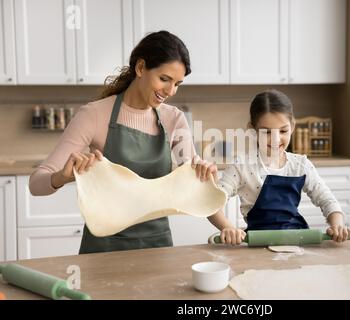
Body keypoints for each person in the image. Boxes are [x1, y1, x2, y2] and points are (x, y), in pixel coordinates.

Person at [29, 31, 217, 254]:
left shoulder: (173, 118)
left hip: (157, 246)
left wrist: (225, 222)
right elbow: (36, 184)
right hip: (104, 248)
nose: (170, 91)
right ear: (140, 68)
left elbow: (195, 183)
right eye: (164, 79)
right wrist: (62, 177)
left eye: (177, 84)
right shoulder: (95, 115)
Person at [207, 89, 350, 244]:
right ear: (252, 130)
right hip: (258, 244)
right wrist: (228, 228)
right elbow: (211, 204)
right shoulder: (241, 167)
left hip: (297, 242)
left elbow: (327, 200)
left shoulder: (300, 165)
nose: (276, 139)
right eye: (267, 132)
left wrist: (337, 225)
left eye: (283, 131)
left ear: (293, 126)